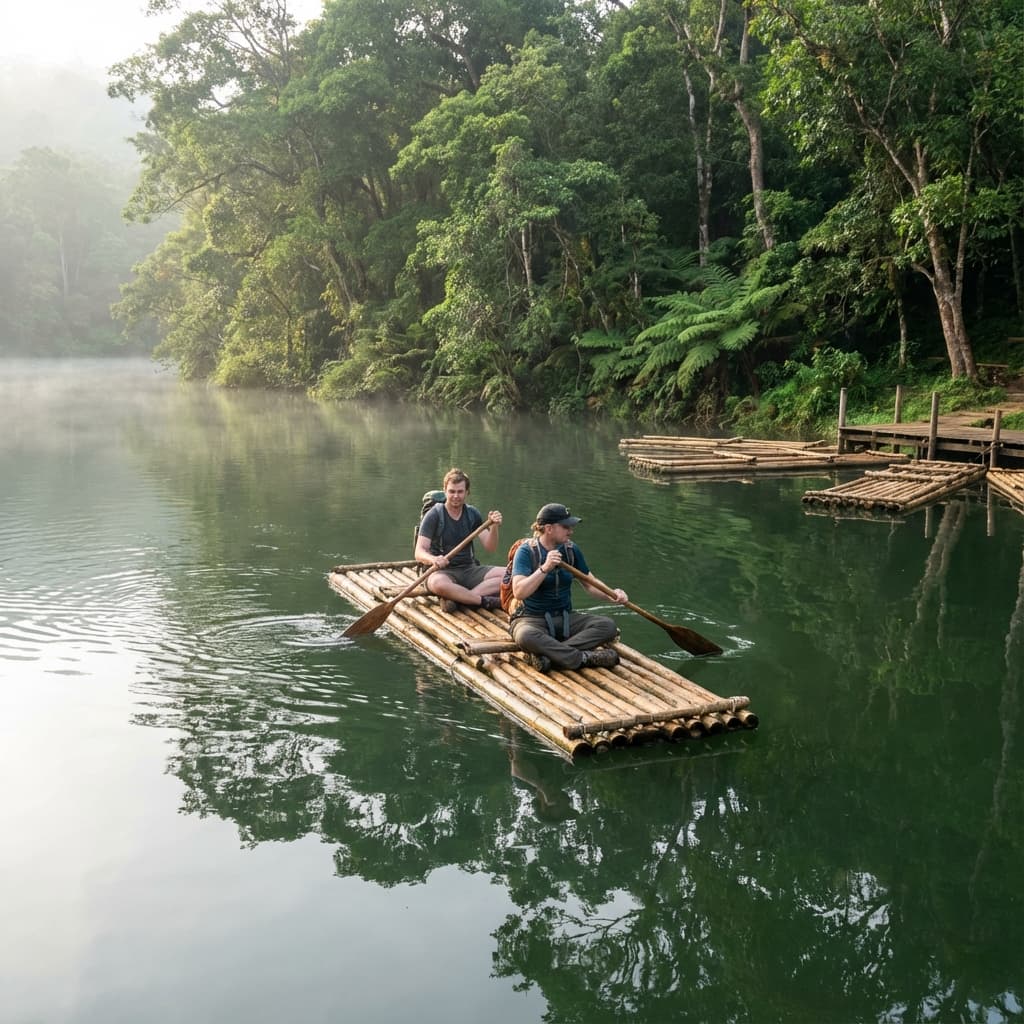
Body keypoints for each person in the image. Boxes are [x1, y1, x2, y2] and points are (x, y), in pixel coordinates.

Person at [508, 502, 628, 673]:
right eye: (566, 527)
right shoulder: (526, 551)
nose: (571, 531)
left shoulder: (571, 550)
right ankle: (583, 658)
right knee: (525, 636)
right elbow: (519, 592)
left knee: (607, 626)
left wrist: (612, 595)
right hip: (532, 619)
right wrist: (545, 568)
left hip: (565, 618)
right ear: (549, 528)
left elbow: (589, 582)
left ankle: (551, 656)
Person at [415, 467, 504, 612]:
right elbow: (419, 552)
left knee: (510, 575)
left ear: (467, 492)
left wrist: (494, 527)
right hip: (442, 572)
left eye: (460, 491)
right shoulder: (434, 515)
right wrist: (434, 559)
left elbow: (490, 547)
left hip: (469, 569)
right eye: (452, 491)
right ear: (445, 491)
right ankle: (481, 600)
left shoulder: (472, 514)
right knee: (438, 584)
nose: (456, 496)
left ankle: (461, 598)